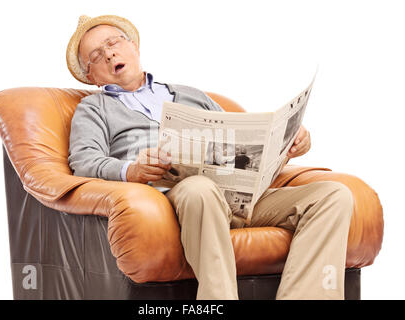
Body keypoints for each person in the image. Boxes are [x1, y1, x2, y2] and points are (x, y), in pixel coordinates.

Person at [66, 14, 353, 300]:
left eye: (113, 43)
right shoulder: (93, 109)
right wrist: (132, 170)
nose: (109, 54)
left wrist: (288, 145)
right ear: (91, 76)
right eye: (96, 55)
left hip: (237, 196)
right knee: (200, 189)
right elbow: (84, 162)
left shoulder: (190, 94)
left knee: (334, 195)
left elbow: (240, 143)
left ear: (134, 47)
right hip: (177, 199)